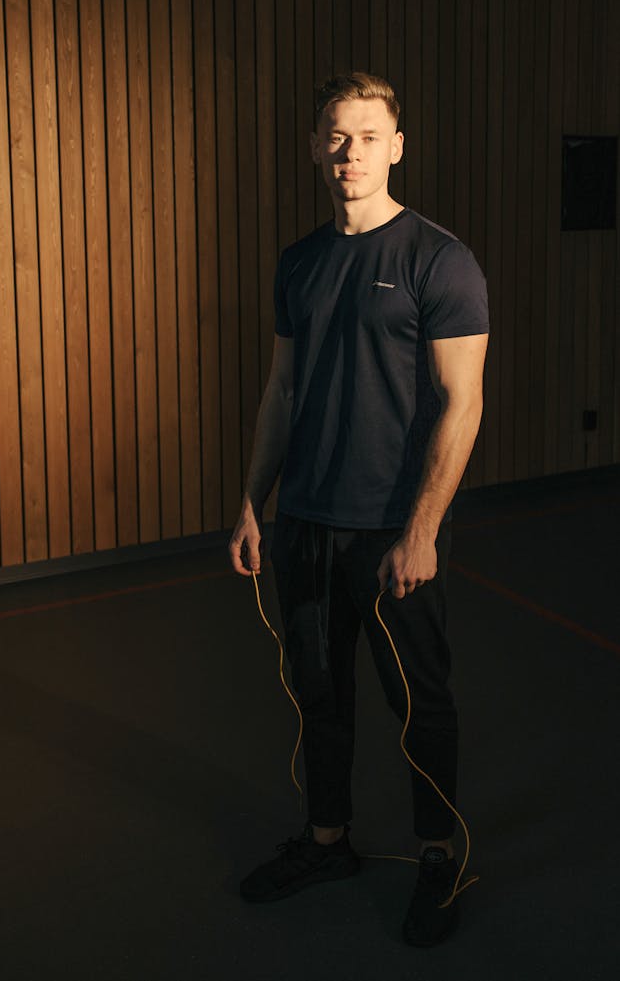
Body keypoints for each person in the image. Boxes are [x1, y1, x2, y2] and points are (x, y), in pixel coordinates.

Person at [228, 72, 489, 947]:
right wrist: (253, 501)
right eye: (337, 136)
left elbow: (463, 402)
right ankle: (327, 840)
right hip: (304, 519)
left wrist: (421, 532)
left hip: (391, 530)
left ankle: (438, 853)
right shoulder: (300, 262)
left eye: (368, 136)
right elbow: (283, 388)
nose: (351, 152)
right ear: (317, 147)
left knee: (422, 703)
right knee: (321, 693)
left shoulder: (438, 259)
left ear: (397, 147)